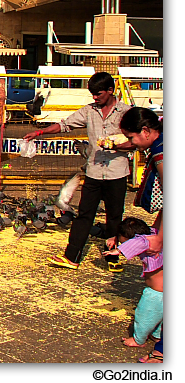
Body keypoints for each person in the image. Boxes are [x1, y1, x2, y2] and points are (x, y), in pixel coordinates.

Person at [22, 72, 132, 271]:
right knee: (84, 215)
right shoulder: (89, 111)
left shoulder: (126, 112)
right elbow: (65, 125)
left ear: (110, 91)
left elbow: (136, 142)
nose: (95, 98)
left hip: (117, 172)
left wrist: (119, 147)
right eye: (92, 94)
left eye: (98, 94)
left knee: (115, 216)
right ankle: (71, 256)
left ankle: (113, 258)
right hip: (94, 172)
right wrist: (40, 132)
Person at [118, 107, 163, 363]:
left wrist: (158, 237)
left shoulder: (160, 152)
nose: (132, 143)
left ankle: (163, 353)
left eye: (132, 138)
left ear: (146, 131)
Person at [102, 217, 162, 349]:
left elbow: (139, 242)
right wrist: (115, 239)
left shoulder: (144, 241)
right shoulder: (152, 234)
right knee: (157, 316)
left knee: (144, 316)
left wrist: (117, 251)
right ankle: (157, 335)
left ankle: (138, 340)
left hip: (156, 293)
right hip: (160, 292)